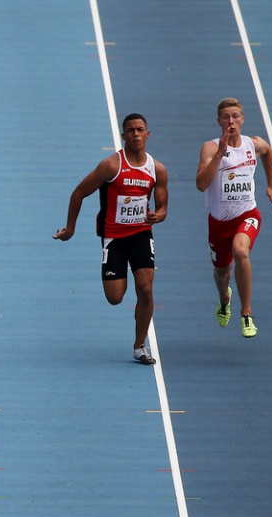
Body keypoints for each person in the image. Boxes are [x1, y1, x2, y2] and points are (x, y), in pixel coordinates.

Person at [54, 113, 169, 364]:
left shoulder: (156, 169)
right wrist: (70, 229)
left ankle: (140, 346)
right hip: (114, 237)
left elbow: (162, 208)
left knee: (146, 289)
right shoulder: (111, 166)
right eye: (131, 130)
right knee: (115, 298)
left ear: (147, 134)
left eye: (140, 129)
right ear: (124, 135)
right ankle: (135, 308)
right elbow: (78, 193)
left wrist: (156, 216)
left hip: (141, 235)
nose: (136, 134)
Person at [194, 97, 272, 338]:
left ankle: (246, 313)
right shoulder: (210, 148)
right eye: (226, 117)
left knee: (241, 252)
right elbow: (201, 185)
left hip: (248, 215)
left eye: (235, 116)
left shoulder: (253, 144)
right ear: (219, 121)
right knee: (222, 273)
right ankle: (224, 300)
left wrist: (271, 186)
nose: (231, 121)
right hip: (219, 223)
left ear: (242, 119)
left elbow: (268, 152)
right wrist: (221, 154)